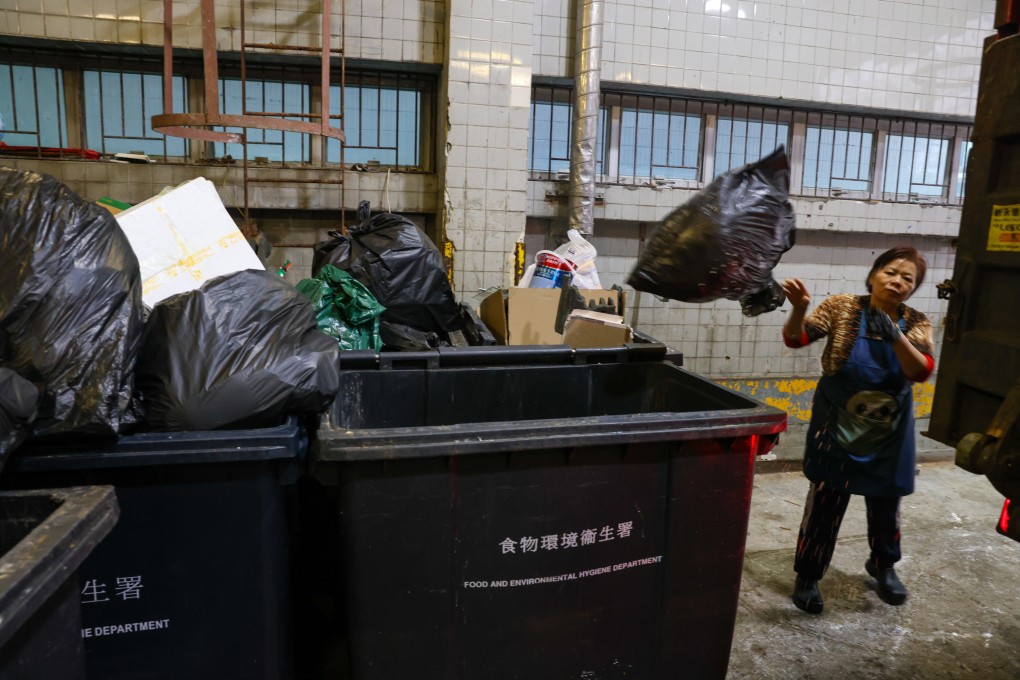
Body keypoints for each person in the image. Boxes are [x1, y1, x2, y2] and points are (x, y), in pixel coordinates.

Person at [781, 246, 935, 614]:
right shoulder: (841, 307)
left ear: (913, 288)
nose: (897, 281)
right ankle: (808, 574)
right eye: (890, 272)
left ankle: (884, 566)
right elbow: (795, 338)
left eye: (907, 278)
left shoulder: (916, 322)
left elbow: (921, 371)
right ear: (873, 275)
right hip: (837, 423)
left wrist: (895, 337)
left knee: (886, 501)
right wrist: (800, 308)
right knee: (827, 500)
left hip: (888, 431)